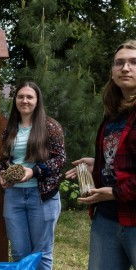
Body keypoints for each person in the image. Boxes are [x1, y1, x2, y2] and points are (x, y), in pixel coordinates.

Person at [65, 40, 136, 269]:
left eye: (134, 63)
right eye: (119, 63)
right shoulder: (113, 113)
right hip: (106, 219)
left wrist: (115, 192)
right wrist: (99, 163)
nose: (125, 68)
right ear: (113, 72)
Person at [0, 81, 66, 270]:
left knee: (41, 255)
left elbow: (60, 159)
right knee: (19, 254)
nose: (24, 100)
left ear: (37, 100)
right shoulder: (10, 128)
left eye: (29, 97)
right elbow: (3, 160)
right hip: (14, 196)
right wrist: (0, 175)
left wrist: (34, 171)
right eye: (20, 96)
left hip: (42, 196)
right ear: (15, 100)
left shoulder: (50, 126)